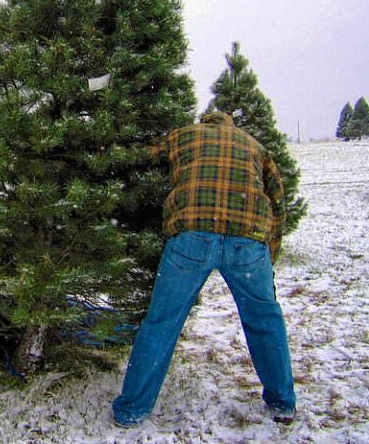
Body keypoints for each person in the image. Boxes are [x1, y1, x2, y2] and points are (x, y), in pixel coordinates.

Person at [112, 111, 296, 427]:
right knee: (265, 319)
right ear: (231, 126)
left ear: (204, 122)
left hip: (192, 237)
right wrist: (268, 257)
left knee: (162, 322)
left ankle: (132, 410)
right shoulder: (255, 147)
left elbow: (144, 153)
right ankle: (282, 403)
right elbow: (277, 202)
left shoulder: (184, 134)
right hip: (248, 243)